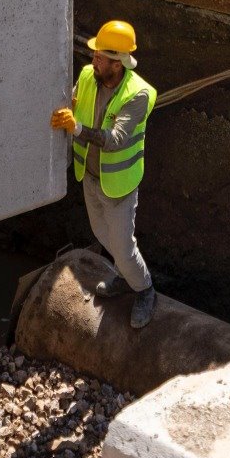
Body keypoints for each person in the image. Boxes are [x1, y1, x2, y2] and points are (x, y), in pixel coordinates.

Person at [49, 19, 156, 327]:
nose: (92, 59)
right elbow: (70, 101)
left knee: (123, 247)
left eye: (100, 57)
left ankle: (146, 290)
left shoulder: (139, 95)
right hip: (92, 176)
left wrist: (76, 128)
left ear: (119, 62)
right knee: (101, 234)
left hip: (120, 183)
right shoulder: (87, 76)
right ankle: (124, 275)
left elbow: (115, 140)